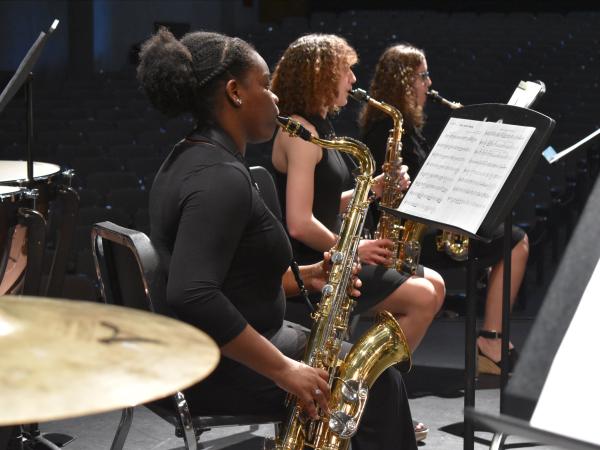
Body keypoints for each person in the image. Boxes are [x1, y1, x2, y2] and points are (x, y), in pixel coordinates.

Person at [139, 28, 418, 450]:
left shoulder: (192, 156)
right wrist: (285, 370)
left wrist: (309, 275)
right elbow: (192, 293)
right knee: (378, 384)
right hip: (224, 367)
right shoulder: (218, 178)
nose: (274, 99)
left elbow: (231, 274)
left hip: (222, 349)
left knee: (379, 380)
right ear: (234, 92)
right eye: (265, 86)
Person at [359, 43, 530, 375]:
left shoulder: (406, 127)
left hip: (422, 228)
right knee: (516, 240)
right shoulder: (390, 130)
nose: (429, 83)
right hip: (408, 238)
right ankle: (491, 340)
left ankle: (491, 339)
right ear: (404, 81)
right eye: (423, 75)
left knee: (509, 232)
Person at [271, 34, 445, 354]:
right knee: (424, 296)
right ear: (321, 75)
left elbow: (321, 203)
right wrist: (353, 247)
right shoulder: (300, 133)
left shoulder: (318, 127)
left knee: (435, 283)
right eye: (346, 70)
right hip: (315, 261)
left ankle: (372, 378)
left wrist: (373, 188)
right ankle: (367, 381)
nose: (353, 79)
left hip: (332, 251)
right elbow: (298, 222)